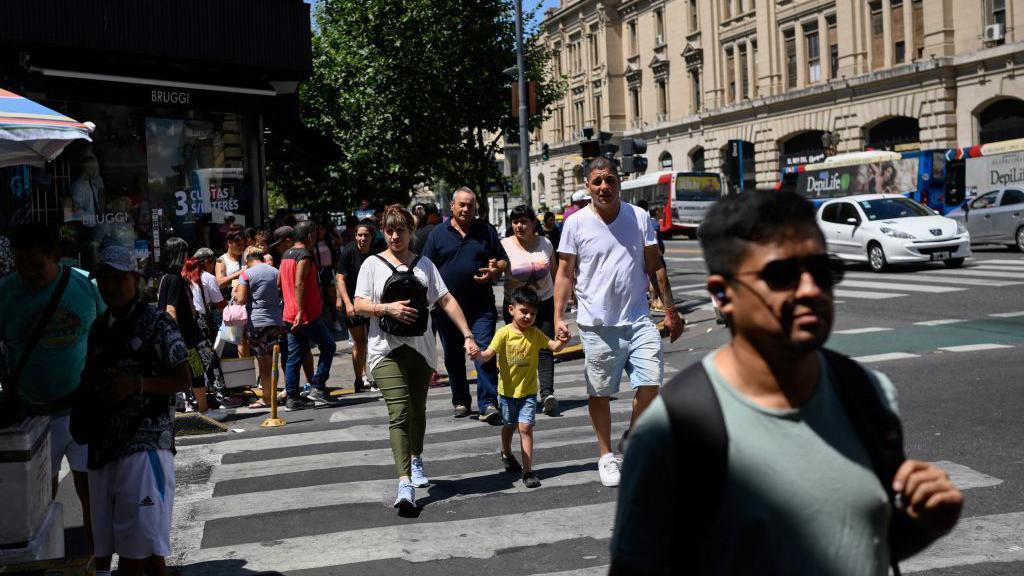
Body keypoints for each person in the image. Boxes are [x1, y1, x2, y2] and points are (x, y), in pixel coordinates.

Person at [609, 190, 963, 575]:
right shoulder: (672, 431)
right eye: (782, 276)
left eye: (821, 270)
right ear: (722, 295)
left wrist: (927, 520)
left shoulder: (867, 393)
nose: (811, 290)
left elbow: (865, 543)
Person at [553, 156, 684, 487]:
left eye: (609, 180)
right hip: (597, 324)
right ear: (587, 186)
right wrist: (558, 316)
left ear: (619, 182)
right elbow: (565, 272)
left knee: (651, 383)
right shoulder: (576, 223)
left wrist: (670, 309)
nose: (603, 187)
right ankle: (606, 455)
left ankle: (631, 441)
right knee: (600, 393)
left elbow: (655, 265)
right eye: (597, 181)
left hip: (639, 318)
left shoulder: (639, 217)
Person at [73, 245, 191, 576]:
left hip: (145, 446)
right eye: (103, 280)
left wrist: (137, 385)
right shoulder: (99, 327)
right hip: (103, 447)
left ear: (135, 279)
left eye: (117, 278)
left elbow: (184, 378)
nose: (109, 286)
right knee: (132, 550)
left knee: (136, 554)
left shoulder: (157, 322)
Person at [354, 205, 480, 510]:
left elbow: (446, 299)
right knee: (399, 412)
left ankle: (416, 457)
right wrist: (387, 308)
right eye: (390, 230)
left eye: (401, 230)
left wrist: (467, 334)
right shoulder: (372, 264)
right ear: (384, 232)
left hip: (421, 349)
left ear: (411, 232)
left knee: (418, 411)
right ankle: (404, 482)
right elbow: (358, 304)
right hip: (385, 350)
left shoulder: (425, 265)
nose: (395, 236)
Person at [0, 222, 104, 555]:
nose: (27, 275)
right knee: (35, 508)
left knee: (92, 496)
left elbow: (106, 335)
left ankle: (96, 565)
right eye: (20, 266)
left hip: (82, 410)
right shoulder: (5, 293)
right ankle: (44, 562)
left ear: (55, 257)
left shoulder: (87, 285)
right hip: (30, 418)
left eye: (36, 266)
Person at [421, 187, 507, 422]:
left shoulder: (485, 230)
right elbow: (425, 267)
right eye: (462, 204)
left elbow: (502, 261)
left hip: (481, 307)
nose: (466, 209)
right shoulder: (438, 234)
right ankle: (460, 399)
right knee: (453, 356)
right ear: (452, 206)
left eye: (470, 205)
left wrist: (493, 271)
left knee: (484, 351)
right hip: (447, 309)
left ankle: (488, 403)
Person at [477, 287, 568, 489]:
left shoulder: (535, 334)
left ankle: (528, 471)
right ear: (511, 310)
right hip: (508, 393)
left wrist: (562, 341)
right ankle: (507, 453)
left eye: (533, 313)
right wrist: (478, 354)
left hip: (528, 392)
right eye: (523, 311)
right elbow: (488, 355)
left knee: (525, 428)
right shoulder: (504, 333)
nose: (528, 316)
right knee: (509, 426)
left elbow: (553, 347)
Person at [158, 238, 227, 421]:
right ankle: (203, 410)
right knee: (195, 370)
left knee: (195, 370)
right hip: (185, 336)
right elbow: (170, 309)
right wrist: (175, 338)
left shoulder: (167, 277)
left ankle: (201, 408)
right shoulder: (174, 279)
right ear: (180, 254)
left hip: (184, 335)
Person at [500, 204, 559, 415]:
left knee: (545, 349)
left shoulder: (546, 244)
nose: (519, 226)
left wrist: (562, 305)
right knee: (517, 351)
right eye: (515, 222)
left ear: (533, 223)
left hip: (544, 302)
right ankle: (517, 394)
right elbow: (497, 270)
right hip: (516, 306)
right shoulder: (504, 245)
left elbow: (555, 273)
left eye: (524, 221)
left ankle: (547, 394)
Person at [280, 222, 337, 409]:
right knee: (328, 345)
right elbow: (299, 284)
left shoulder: (286, 255)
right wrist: (301, 310)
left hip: (289, 314)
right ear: (310, 237)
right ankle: (318, 386)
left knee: (294, 357)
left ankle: (292, 398)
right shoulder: (304, 256)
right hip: (305, 315)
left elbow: (280, 283)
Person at [234, 246, 283, 409]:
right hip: (276, 320)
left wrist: (236, 294)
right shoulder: (275, 271)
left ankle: (267, 398)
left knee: (263, 361)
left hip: (257, 322)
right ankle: (273, 395)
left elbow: (240, 299)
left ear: (247, 258)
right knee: (272, 358)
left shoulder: (246, 274)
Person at [336, 220, 375, 393]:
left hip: (373, 303)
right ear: (355, 236)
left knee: (374, 341)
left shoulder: (377, 251)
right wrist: (346, 303)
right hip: (353, 303)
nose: (362, 238)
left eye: (366, 235)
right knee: (359, 342)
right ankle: (360, 378)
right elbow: (340, 278)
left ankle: (375, 375)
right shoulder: (348, 251)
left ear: (372, 237)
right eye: (360, 235)